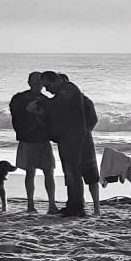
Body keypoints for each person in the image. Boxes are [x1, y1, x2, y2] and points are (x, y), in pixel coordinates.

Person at [37, 70, 87, 217]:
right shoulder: (62, 92)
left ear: (55, 80)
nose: (47, 90)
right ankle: (72, 204)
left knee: (72, 171)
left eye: (47, 86)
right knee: (69, 171)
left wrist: (39, 102)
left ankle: (77, 207)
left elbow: (58, 105)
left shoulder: (69, 89)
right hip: (66, 136)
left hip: (73, 136)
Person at [9, 71, 58, 214]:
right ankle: (30, 204)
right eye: (35, 83)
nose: (37, 86)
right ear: (29, 83)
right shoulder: (20, 98)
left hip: (43, 139)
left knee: (49, 171)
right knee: (30, 172)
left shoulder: (46, 100)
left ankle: (52, 204)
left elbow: (51, 119)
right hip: (28, 139)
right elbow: (16, 116)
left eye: (40, 83)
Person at [60, 73, 101, 217]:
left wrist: (83, 132)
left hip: (84, 141)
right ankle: (75, 204)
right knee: (71, 176)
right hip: (71, 141)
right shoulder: (61, 101)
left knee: (91, 176)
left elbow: (93, 120)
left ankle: (96, 207)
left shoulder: (84, 100)